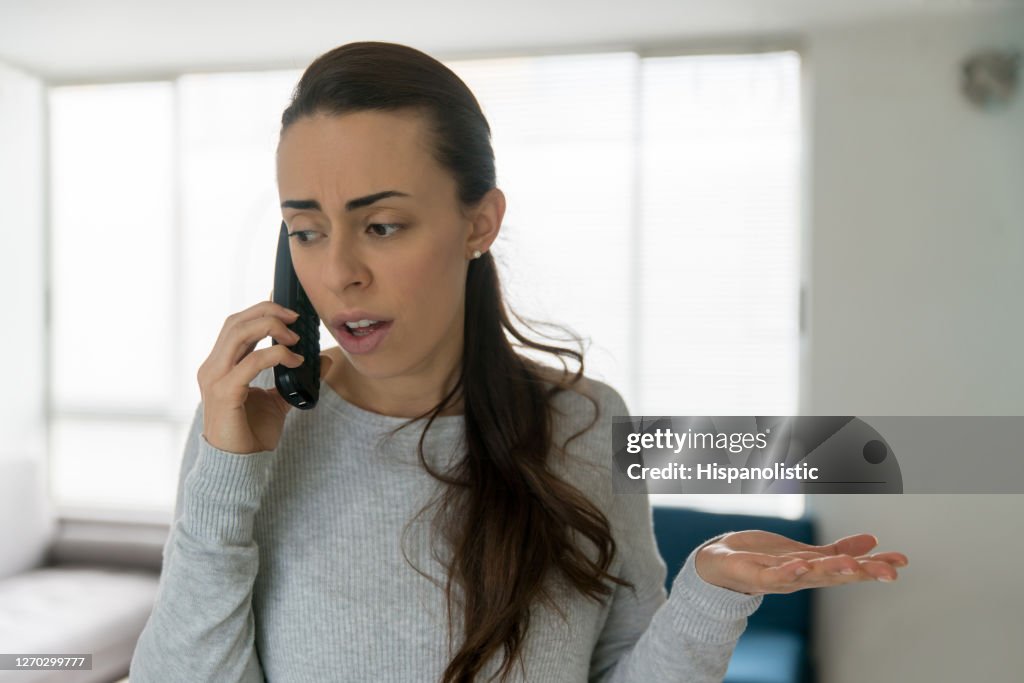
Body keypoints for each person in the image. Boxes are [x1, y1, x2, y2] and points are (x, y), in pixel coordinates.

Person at [129, 41, 908, 683]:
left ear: (480, 223)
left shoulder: (588, 422)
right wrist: (226, 476)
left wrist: (710, 591)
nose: (337, 274)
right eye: (306, 230)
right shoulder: (249, 427)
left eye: (383, 225)